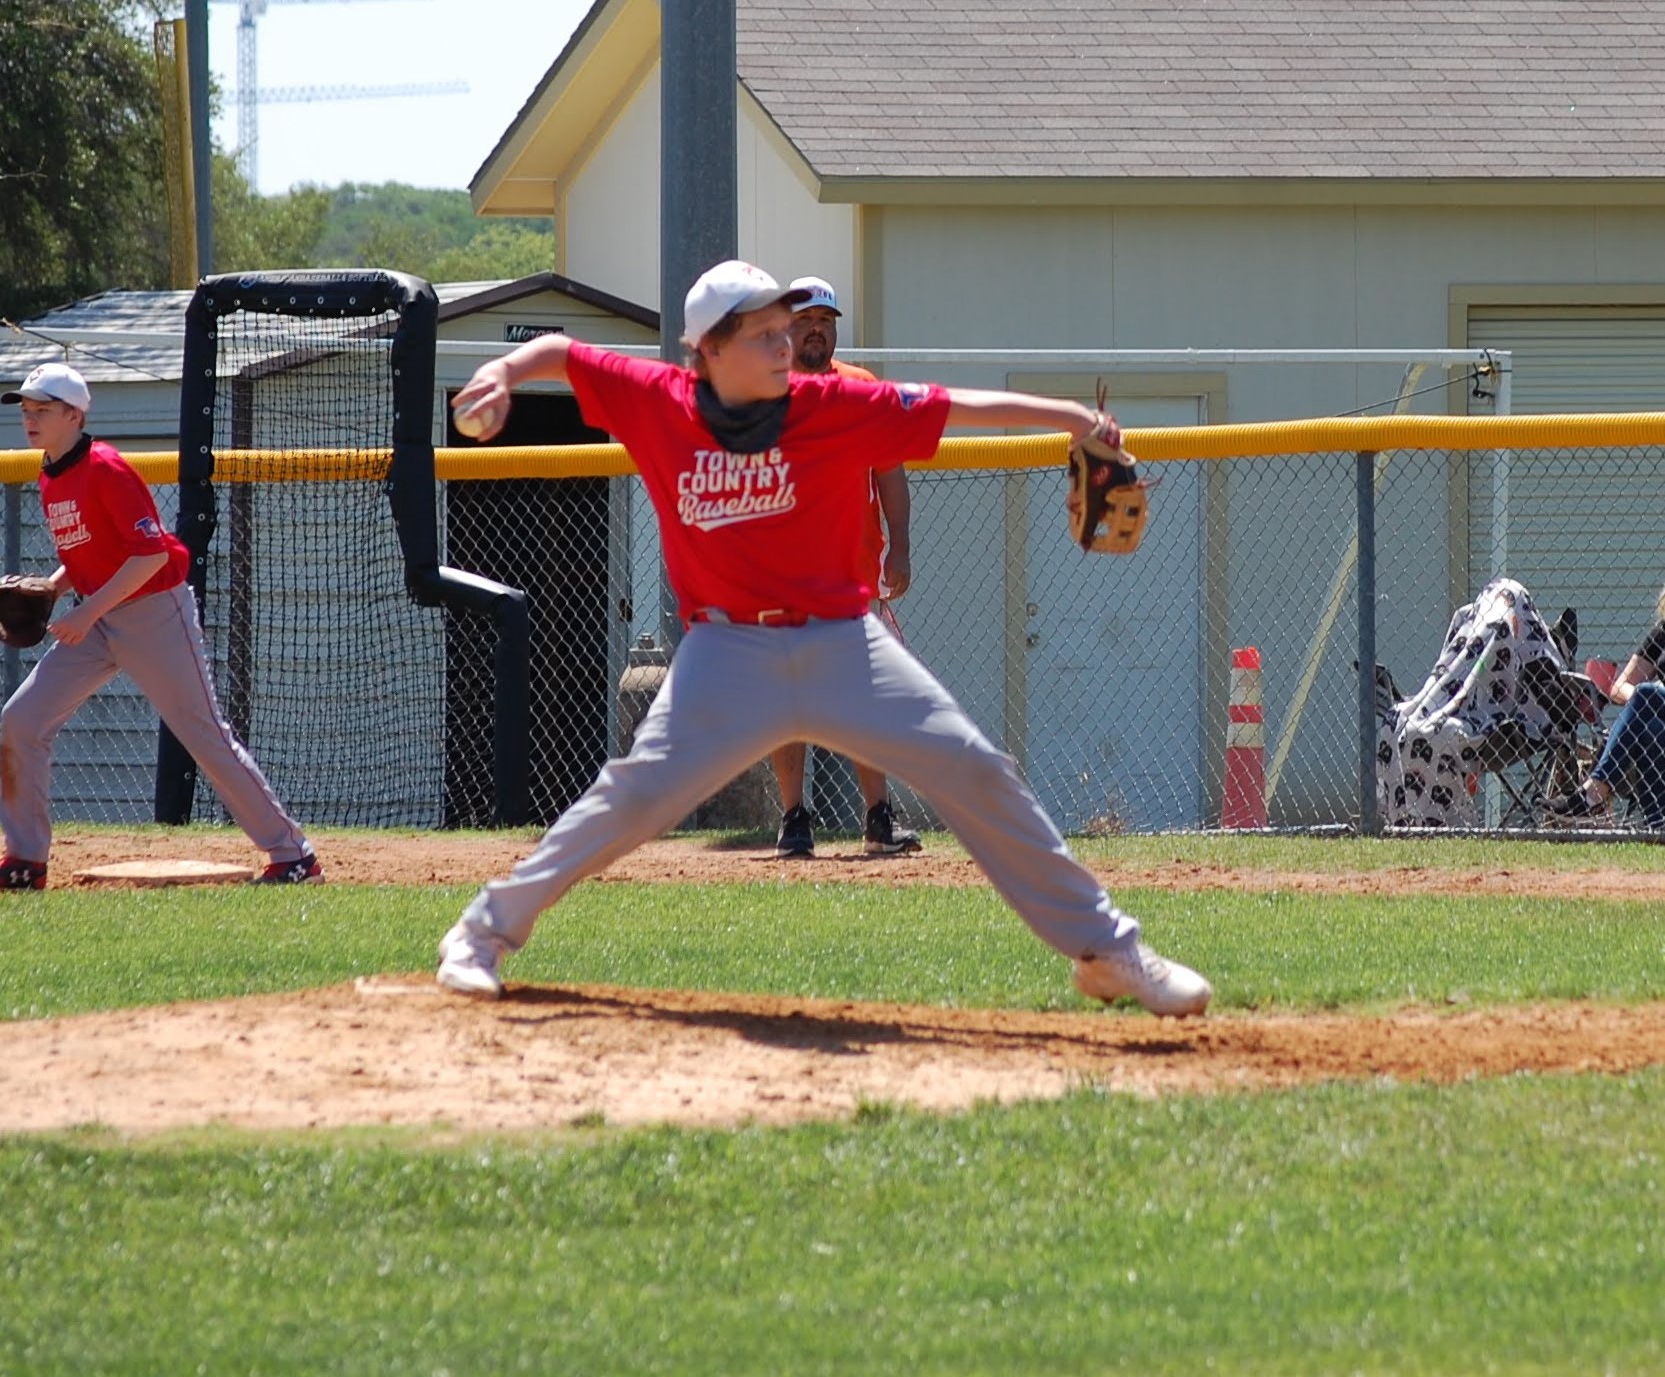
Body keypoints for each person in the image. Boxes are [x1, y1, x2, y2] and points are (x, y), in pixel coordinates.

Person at [435, 260, 1213, 1017]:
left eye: (787, 329)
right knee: (633, 797)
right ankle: (481, 932)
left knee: (975, 768)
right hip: (726, 654)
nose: (786, 344)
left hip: (846, 643)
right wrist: (505, 370)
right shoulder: (657, 399)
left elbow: (954, 406)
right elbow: (561, 354)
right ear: (708, 348)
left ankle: (1109, 950)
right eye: (765, 333)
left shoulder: (830, 404)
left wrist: (1074, 418)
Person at [0, 362, 322, 891]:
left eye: (41, 409)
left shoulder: (106, 467)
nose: (29, 418)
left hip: (153, 612)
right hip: (98, 613)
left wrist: (86, 609)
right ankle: (24, 861)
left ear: (74, 414)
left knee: (204, 734)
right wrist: (57, 588)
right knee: (24, 718)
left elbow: (149, 555)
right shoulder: (49, 471)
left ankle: (293, 856)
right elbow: (89, 550)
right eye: (26, 409)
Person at [770, 274, 922, 858]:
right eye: (805, 319)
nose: (816, 330)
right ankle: (793, 819)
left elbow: (890, 472)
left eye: (825, 322)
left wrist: (900, 545)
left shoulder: (861, 390)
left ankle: (878, 818)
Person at [1545, 583, 1665, 827]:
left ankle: (1592, 793)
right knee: (1651, 726)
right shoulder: (1663, 633)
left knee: (1648, 694)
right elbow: (1620, 686)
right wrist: (1644, 704)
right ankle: (1659, 826)